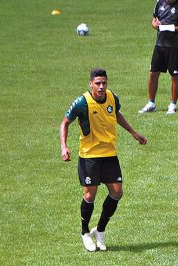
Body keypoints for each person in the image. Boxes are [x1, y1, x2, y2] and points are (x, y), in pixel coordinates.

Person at [60, 68, 147, 252]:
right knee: (90, 195)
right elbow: (65, 122)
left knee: (117, 192)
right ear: (91, 84)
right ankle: (84, 233)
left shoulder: (112, 98)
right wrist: (64, 146)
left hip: (109, 154)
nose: (101, 87)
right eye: (97, 83)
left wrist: (133, 133)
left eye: (104, 83)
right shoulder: (82, 102)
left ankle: (100, 230)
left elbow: (116, 115)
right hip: (89, 156)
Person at [138, 0, 178, 115]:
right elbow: (154, 20)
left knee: (174, 75)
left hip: (174, 47)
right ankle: (151, 103)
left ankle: (172, 105)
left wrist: (170, 27)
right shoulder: (159, 3)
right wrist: (154, 24)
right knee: (153, 73)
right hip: (159, 45)